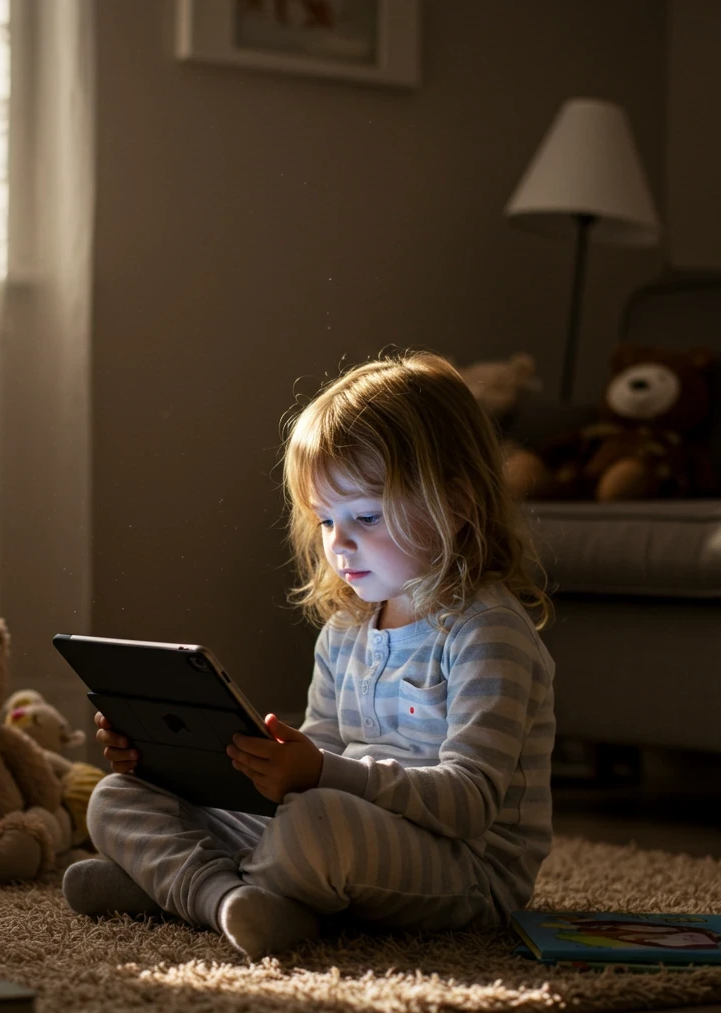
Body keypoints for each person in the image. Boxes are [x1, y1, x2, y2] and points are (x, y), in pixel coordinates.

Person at [63, 349, 556, 960]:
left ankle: (185, 886)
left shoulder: (487, 632)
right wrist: (190, 758)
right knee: (118, 798)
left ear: (454, 505)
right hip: (340, 828)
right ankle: (229, 899)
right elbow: (320, 752)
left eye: (366, 515)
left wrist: (322, 774)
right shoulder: (348, 628)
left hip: (466, 869)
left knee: (316, 824)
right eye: (325, 519)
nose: (339, 543)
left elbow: (471, 802)